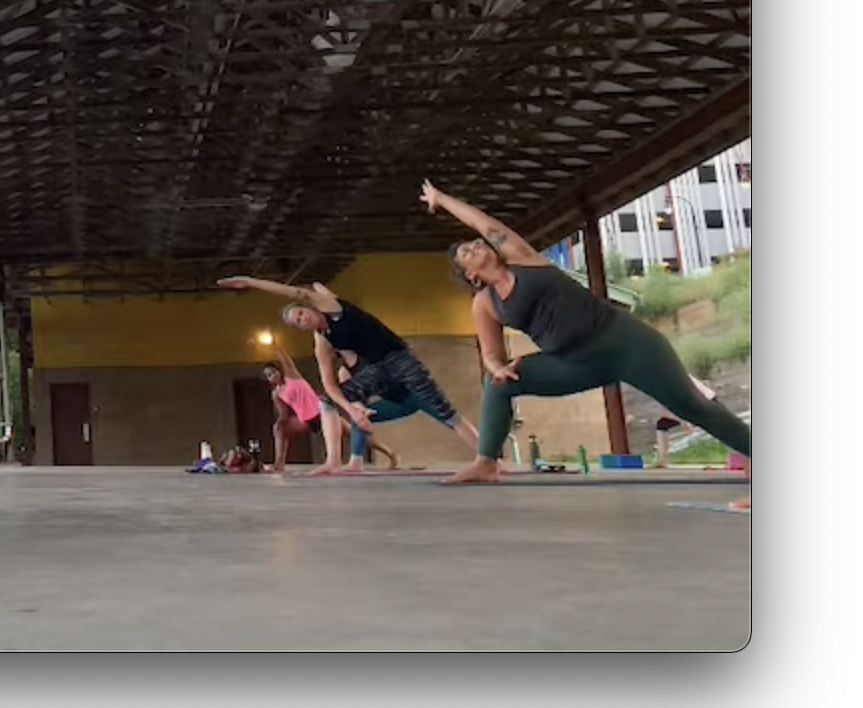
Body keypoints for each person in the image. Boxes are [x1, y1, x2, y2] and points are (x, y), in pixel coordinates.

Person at [423, 180, 751, 509]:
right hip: (574, 363)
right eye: (467, 252)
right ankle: (486, 463)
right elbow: (491, 353)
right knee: (497, 384)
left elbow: (481, 221)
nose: (476, 246)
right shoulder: (485, 303)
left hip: (625, 343)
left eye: (475, 243)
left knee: (693, 406)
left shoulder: (522, 258)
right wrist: (498, 368)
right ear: (470, 275)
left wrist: (441, 199)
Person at [218, 274, 482, 475]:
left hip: (399, 358)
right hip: (378, 370)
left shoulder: (330, 306)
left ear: (308, 308)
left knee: (446, 413)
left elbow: (291, 291)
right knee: (329, 401)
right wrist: (351, 409)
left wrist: (250, 281)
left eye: (300, 313)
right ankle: (335, 460)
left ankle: (488, 457)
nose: (302, 319)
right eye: (296, 322)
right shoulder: (322, 341)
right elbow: (329, 385)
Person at [260, 350, 325, 474]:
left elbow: (286, 361)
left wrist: (274, 346)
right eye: (268, 376)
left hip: (322, 413)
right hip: (306, 420)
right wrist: (280, 422)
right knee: (278, 428)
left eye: (273, 372)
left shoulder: (292, 378)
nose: (272, 376)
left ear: (279, 371)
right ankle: (279, 464)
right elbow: (283, 415)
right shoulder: (276, 393)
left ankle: (374, 445)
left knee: (349, 430)